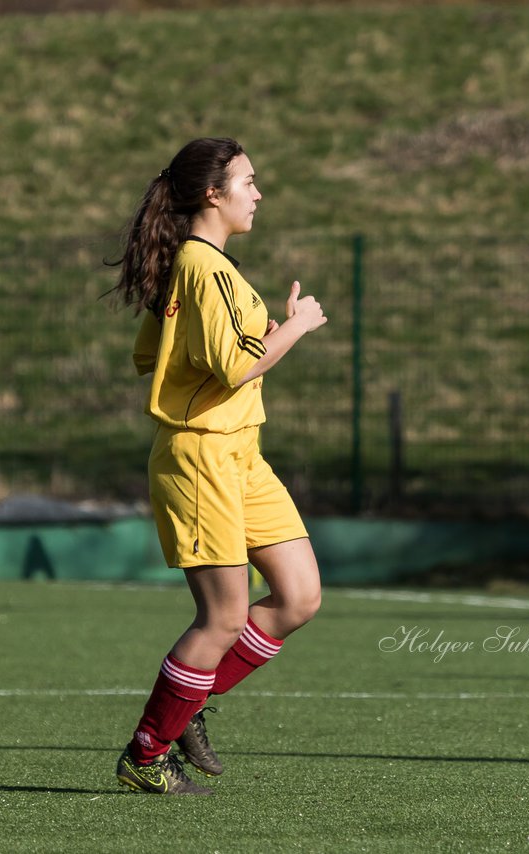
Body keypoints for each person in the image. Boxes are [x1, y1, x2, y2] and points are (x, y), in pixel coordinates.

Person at [108, 137, 328, 795]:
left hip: (240, 454)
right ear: (214, 193)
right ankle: (145, 757)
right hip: (201, 456)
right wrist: (297, 327)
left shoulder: (203, 268)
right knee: (223, 618)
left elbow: (159, 357)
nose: (258, 193)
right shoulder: (203, 268)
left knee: (298, 597)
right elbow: (233, 365)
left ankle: (190, 702)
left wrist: (262, 334)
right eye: (249, 182)